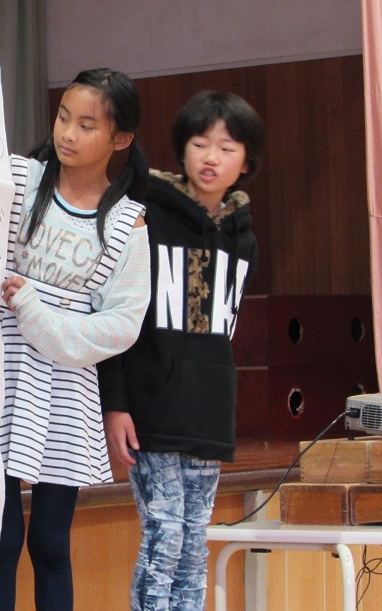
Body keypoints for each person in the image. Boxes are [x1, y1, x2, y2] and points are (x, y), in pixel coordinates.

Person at [0, 68, 152, 611]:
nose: (68, 134)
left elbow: (122, 325)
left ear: (120, 139)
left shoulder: (127, 223)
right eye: (63, 117)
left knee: (51, 543)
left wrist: (36, 310)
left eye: (87, 125)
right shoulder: (19, 180)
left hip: (63, 390)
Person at [100, 90, 265, 611]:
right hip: (150, 405)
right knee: (164, 535)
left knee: (194, 543)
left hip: (208, 410)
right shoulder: (146, 218)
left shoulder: (244, 239)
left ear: (246, 162)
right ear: (182, 150)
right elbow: (117, 317)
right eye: (200, 143)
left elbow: (218, 327)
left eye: (227, 147)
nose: (211, 157)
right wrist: (115, 404)